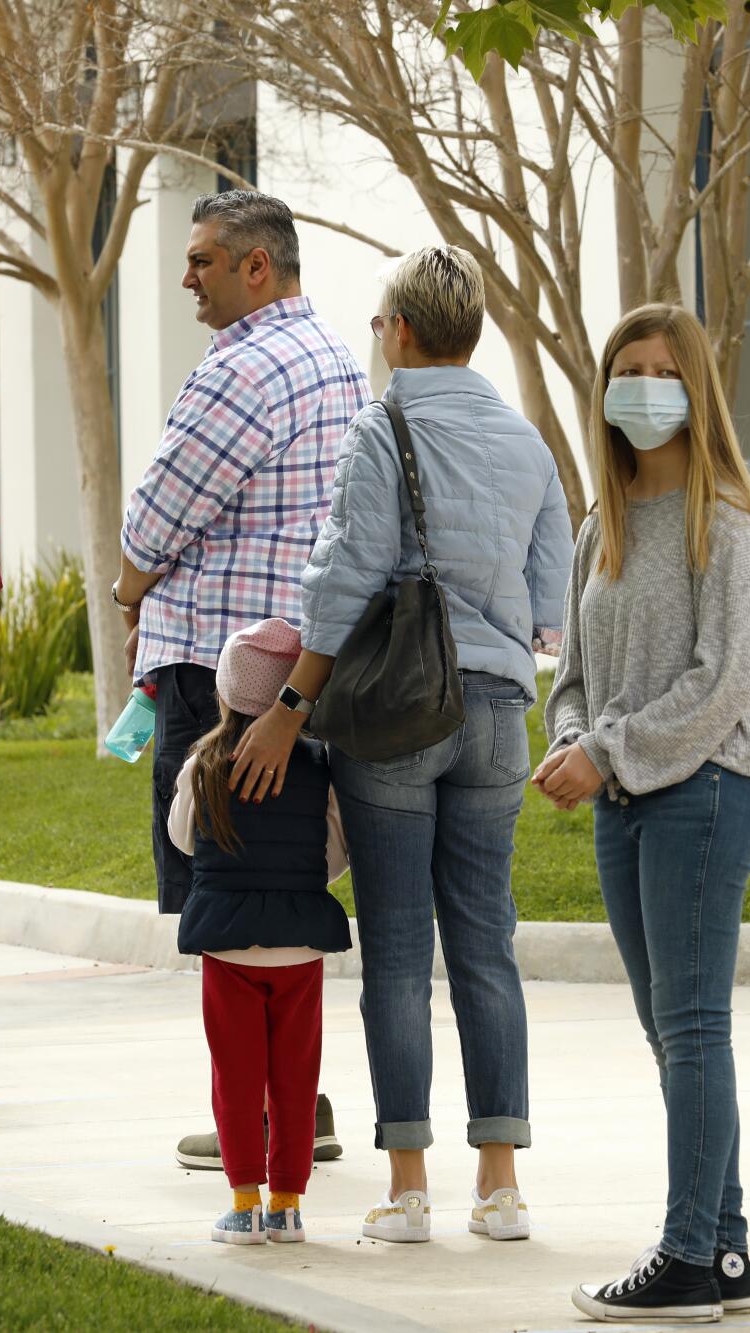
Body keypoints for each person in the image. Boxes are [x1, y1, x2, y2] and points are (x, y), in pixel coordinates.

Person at [227, 246, 574, 1247]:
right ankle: (500, 1184)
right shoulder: (524, 442)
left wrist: (291, 702)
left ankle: (410, 1185)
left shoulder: (379, 427)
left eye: (379, 323)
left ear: (400, 331)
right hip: (497, 710)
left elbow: (344, 576)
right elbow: (548, 594)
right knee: (483, 942)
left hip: (392, 715)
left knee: (395, 950)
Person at [116, 189, 366, 1171]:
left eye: (202, 261)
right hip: (304, 674)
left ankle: (256, 1114)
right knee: (285, 884)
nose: (187, 277)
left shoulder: (241, 367)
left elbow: (154, 519)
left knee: (216, 895)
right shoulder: (339, 360)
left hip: (220, 680)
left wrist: (127, 579)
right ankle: (299, 1097)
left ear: (255, 266)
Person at [540, 304, 750, 1323]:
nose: (641, 387)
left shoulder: (722, 521)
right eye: (623, 370)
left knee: (689, 1026)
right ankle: (720, 1254)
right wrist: (568, 737)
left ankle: (687, 1253)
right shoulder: (599, 523)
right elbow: (575, 672)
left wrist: (604, 751)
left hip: (707, 788)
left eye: (659, 370)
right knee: (668, 1029)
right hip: (625, 794)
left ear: (692, 389)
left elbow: (724, 681)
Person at [167, 618, 353, 1246]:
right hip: (299, 945)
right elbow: (334, 854)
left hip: (227, 944)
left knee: (236, 1076)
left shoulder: (203, 765)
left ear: (224, 691)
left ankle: (242, 1203)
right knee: (296, 1079)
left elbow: (182, 837)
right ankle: (288, 1206)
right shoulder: (318, 766)